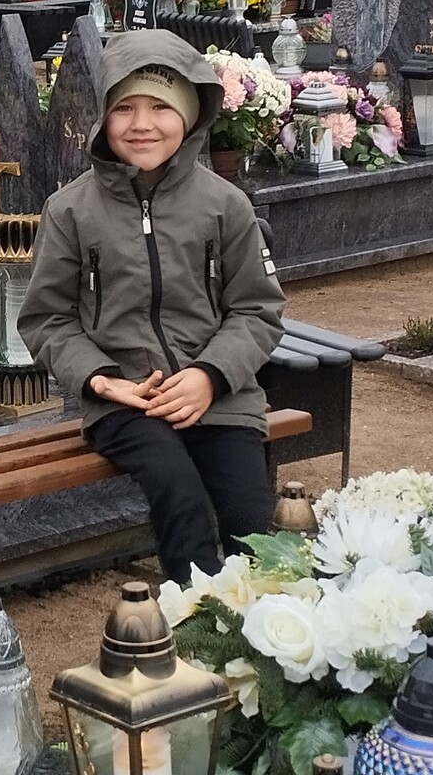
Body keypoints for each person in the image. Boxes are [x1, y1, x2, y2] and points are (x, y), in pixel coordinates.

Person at [18, 31, 283, 583]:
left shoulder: (225, 206)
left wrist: (210, 376)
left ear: (189, 115)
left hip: (220, 397)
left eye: (161, 107)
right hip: (126, 403)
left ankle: (260, 618)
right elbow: (46, 318)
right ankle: (196, 614)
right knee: (179, 495)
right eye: (124, 108)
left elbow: (257, 310)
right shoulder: (70, 211)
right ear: (102, 117)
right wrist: (100, 379)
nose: (142, 124)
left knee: (250, 518)